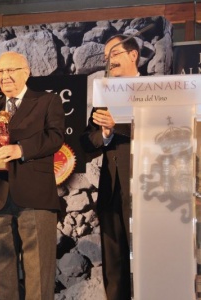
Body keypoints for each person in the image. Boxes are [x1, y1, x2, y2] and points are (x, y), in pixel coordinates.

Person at [0, 51, 65, 300]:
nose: (5, 76)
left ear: (26, 72)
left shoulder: (47, 101)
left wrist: (21, 149)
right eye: (0, 71)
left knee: (39, 272)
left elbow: (55, 137)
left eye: (11, 70)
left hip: (35, 196)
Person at [80, 34, 140, 300]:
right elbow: (86, 141)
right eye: (106, 58)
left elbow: (163, 129)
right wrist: (105, 133)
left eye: (114, 53)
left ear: (133, 55)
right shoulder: (104, 95)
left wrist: (120, 125)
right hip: (112, 192)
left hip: (145, 191)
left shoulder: (157, 90)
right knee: (114, 269)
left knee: (145, 264)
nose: (109, 61)